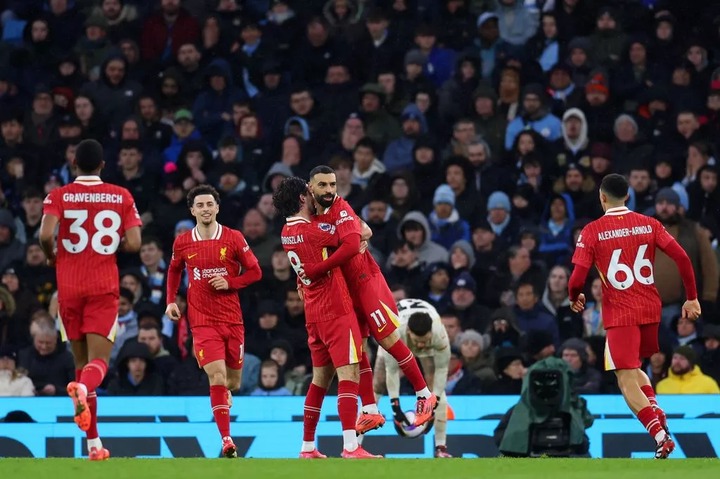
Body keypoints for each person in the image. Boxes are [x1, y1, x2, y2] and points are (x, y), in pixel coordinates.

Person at [568, 173, 701, 459]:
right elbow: (682, 258)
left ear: (602, 197)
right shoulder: (650, 224)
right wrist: (691, 297)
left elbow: (577, 278)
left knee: (624, 377)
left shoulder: (591, 231)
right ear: (627, 196)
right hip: (650, 309)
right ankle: (655, 410)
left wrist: (574, 296)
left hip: (621, 312)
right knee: (635, 368)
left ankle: (659, 434)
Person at [304, 166, 438, 435]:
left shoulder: (341, 208)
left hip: (366, 282)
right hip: (344, 291)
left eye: (332, 184)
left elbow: (356, 240)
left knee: (388, 340)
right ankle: (370, 410)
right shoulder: (309, 218)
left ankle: (424, 395)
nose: (329, 190)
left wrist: (324, 263)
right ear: (311, 188)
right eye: (323, 186)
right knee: (358, 350)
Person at [38, 139, 142, 461]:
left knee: (80, 365)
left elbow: (44, 235)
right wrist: (114, 247)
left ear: (73, 165)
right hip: (102, 286)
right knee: (97, 365)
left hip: (68, 287)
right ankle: (82, 392)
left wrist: (51, 255)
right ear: (102, 166)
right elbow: (136, 243)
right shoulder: (121, 195)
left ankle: (94, 445)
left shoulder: (59, 195)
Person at [273, 176, 380, 459]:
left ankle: (308, 447)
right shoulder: (316, 229)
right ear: (301, 198)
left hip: (313, 313)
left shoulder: (286, 232)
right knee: (349, 375)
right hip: (336, 310)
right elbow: (358, 235)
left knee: (320, 380)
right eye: (309, 193)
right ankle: (350, 446)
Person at [165, 184, 262, 458]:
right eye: (200, 205)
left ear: (217, 208)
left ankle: (224, 398)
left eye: (210, 204)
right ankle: (226, 439)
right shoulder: (183, 241)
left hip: (232, 321)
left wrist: (231, 282)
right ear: (192, 210)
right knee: (217, 377)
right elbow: (173, 270)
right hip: (202, 321)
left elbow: (255, 272)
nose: (205, 209)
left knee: (232, 382)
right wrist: (171, 300)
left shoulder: (233, 238)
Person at [381, 298, 452, 458]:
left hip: (429, 347)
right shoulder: (394, 333)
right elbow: (391, 371)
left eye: (424, 340)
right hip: (396, 336)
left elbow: (442, 369)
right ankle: (355, 446)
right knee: (376, 385)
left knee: (439, 393)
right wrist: (395, 407)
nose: (420, 345)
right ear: (408, 332)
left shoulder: (439, 334)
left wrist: (434, 402)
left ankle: (441, 448)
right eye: (418, 341)